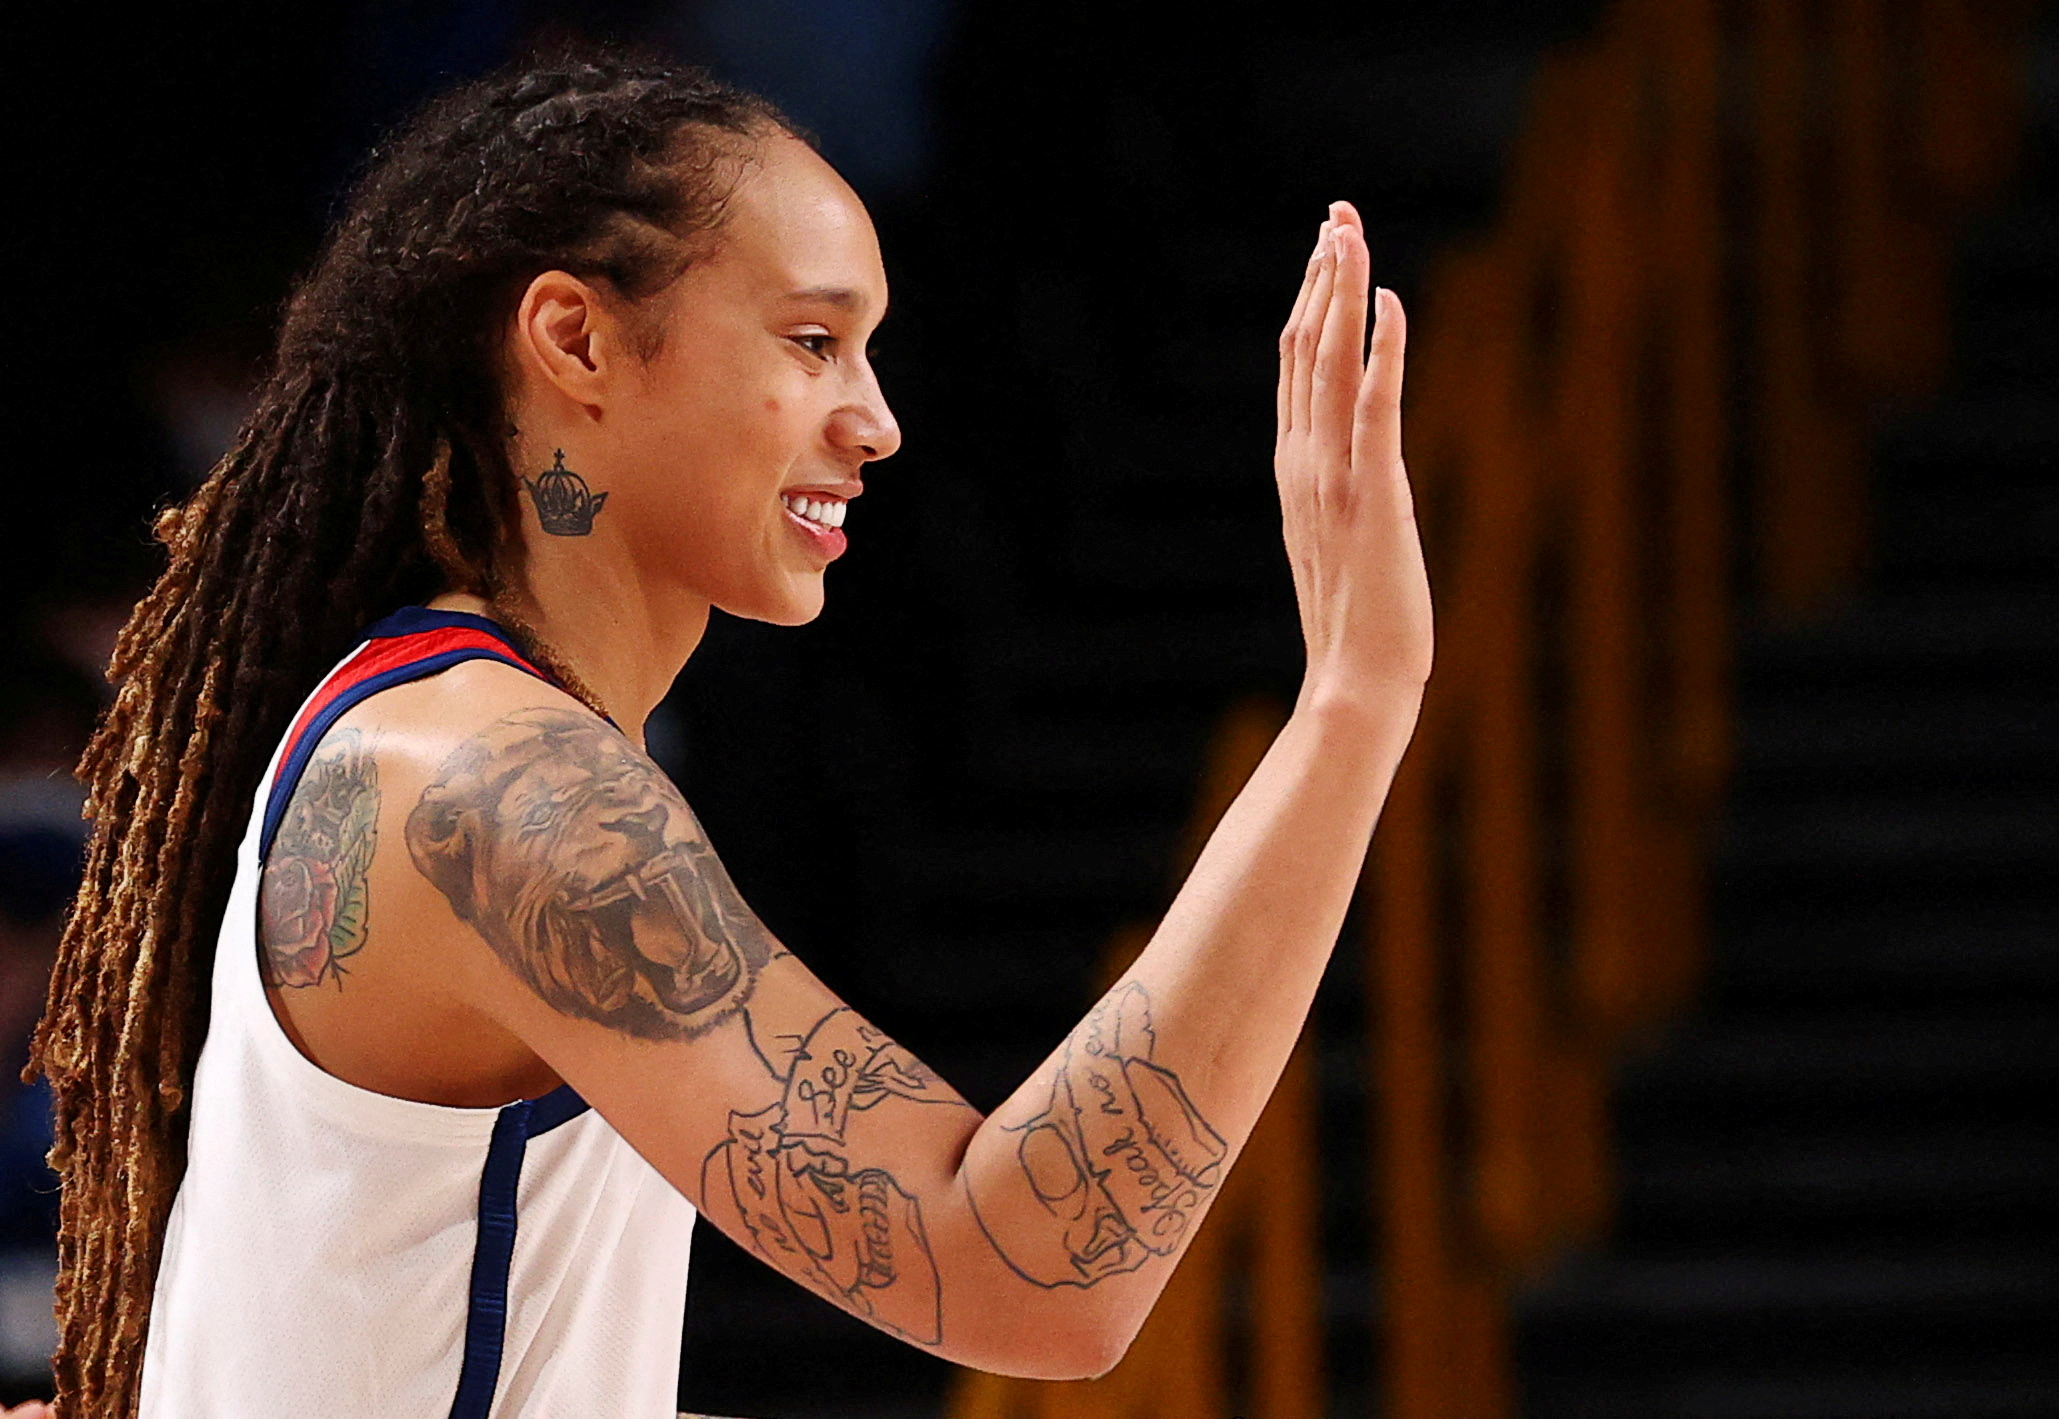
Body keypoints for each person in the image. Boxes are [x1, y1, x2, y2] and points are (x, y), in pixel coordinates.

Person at [26, 48, 1430, 1419]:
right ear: (576, 339)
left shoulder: (423, 733)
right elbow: (1031, 1276)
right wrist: (1350, 705)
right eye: (812, 342)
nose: (875, 422)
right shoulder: (509, 794)